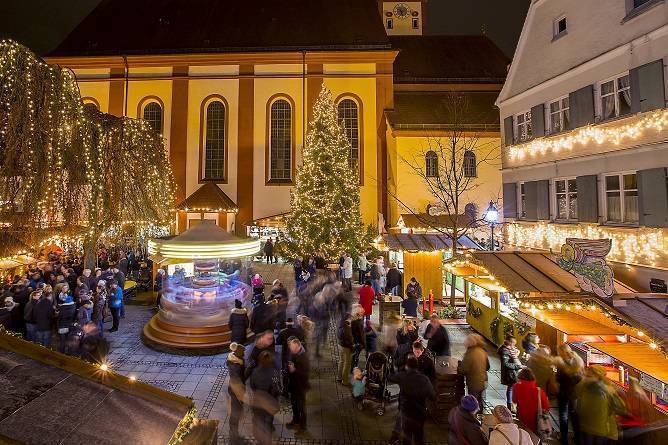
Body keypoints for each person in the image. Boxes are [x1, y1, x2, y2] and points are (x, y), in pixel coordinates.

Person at [389, 356, 436, 445]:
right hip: (420, 413)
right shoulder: (424, 379)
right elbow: (432, 396)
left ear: (407, 366)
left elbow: (390, 377)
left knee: (407, 437)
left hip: (407, 413)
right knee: (419, 437)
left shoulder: (402, 376)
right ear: (417, 366)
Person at [575, 365, 626, 445]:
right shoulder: (608, 389)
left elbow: (574, 395)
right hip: (600, 429)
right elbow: (620, 407)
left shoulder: (583, 385)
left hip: (586, 426)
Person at [249, 350, 280, 445]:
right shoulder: (274, 373)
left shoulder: (254, 372)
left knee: (259, 423)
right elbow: (275, 390)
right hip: (269, 404)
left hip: (257, 403)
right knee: (268, 424)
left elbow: (252, 385)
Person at [556, 343, 584, 445]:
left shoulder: (562, 363)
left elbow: (559, 378)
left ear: (562, 352)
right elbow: (581, 376)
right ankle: (577, 438)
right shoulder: (578, 360)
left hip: (564, 392)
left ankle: (564, 439)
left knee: (563, 416)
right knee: (574, 416)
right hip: (575, 393)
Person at [512, 368, 550, 435]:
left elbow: (514, 400)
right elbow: (546, 407)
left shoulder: (516, 386)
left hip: (522, 417)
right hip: (535, 420)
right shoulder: (539, 391)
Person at [458, 333, 490, 411]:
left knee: (472, 402)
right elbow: (488, 367)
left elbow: (463, 369)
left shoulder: (470, 353)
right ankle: (481, 417)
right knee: (480, 400)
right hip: (483, 381)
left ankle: (473, 418)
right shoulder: (482, 351)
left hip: (474, 382)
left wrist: (459, 367)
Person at [286, 337, 310, 432]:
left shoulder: (304, 357)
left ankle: (303, 426)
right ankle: (295, 420)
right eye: (290, 348)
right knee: (294, 404)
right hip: (293, 384)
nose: (291, 350)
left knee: (301, 407)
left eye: (293, 349)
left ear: (298, 347)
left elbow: (305, 374)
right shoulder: (293, 352)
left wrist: (294, 370)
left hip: (300, 386)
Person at [227, 342, 246, 444]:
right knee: (235, 415)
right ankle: (234, 439)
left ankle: (234, 436)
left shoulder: (235, 361)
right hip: (236, 393)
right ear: (239, 354)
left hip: (236, 391)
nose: (244, 354)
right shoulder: (236, 367)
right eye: (243, 353)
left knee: (236, 414)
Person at [498, 334, 523, 410]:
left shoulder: (510, 349)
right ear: (508, 342)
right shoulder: (505, 351)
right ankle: (510, 406)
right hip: (510, 373)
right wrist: (518, 366)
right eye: (513, 343)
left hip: (513, 372)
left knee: (511, 388)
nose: (514, 345)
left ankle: (512, 406)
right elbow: (506, 364)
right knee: (511, 389)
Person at [337, 314, 354, 386]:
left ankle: (339, 377)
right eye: (350, 318)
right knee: (347, 364)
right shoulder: (346, 328)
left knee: (341, 361)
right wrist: (352, 347)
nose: (351, 320)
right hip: (346, 347)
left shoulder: (341, 325)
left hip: (340, 345)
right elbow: (349, 339)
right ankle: (345, 380)